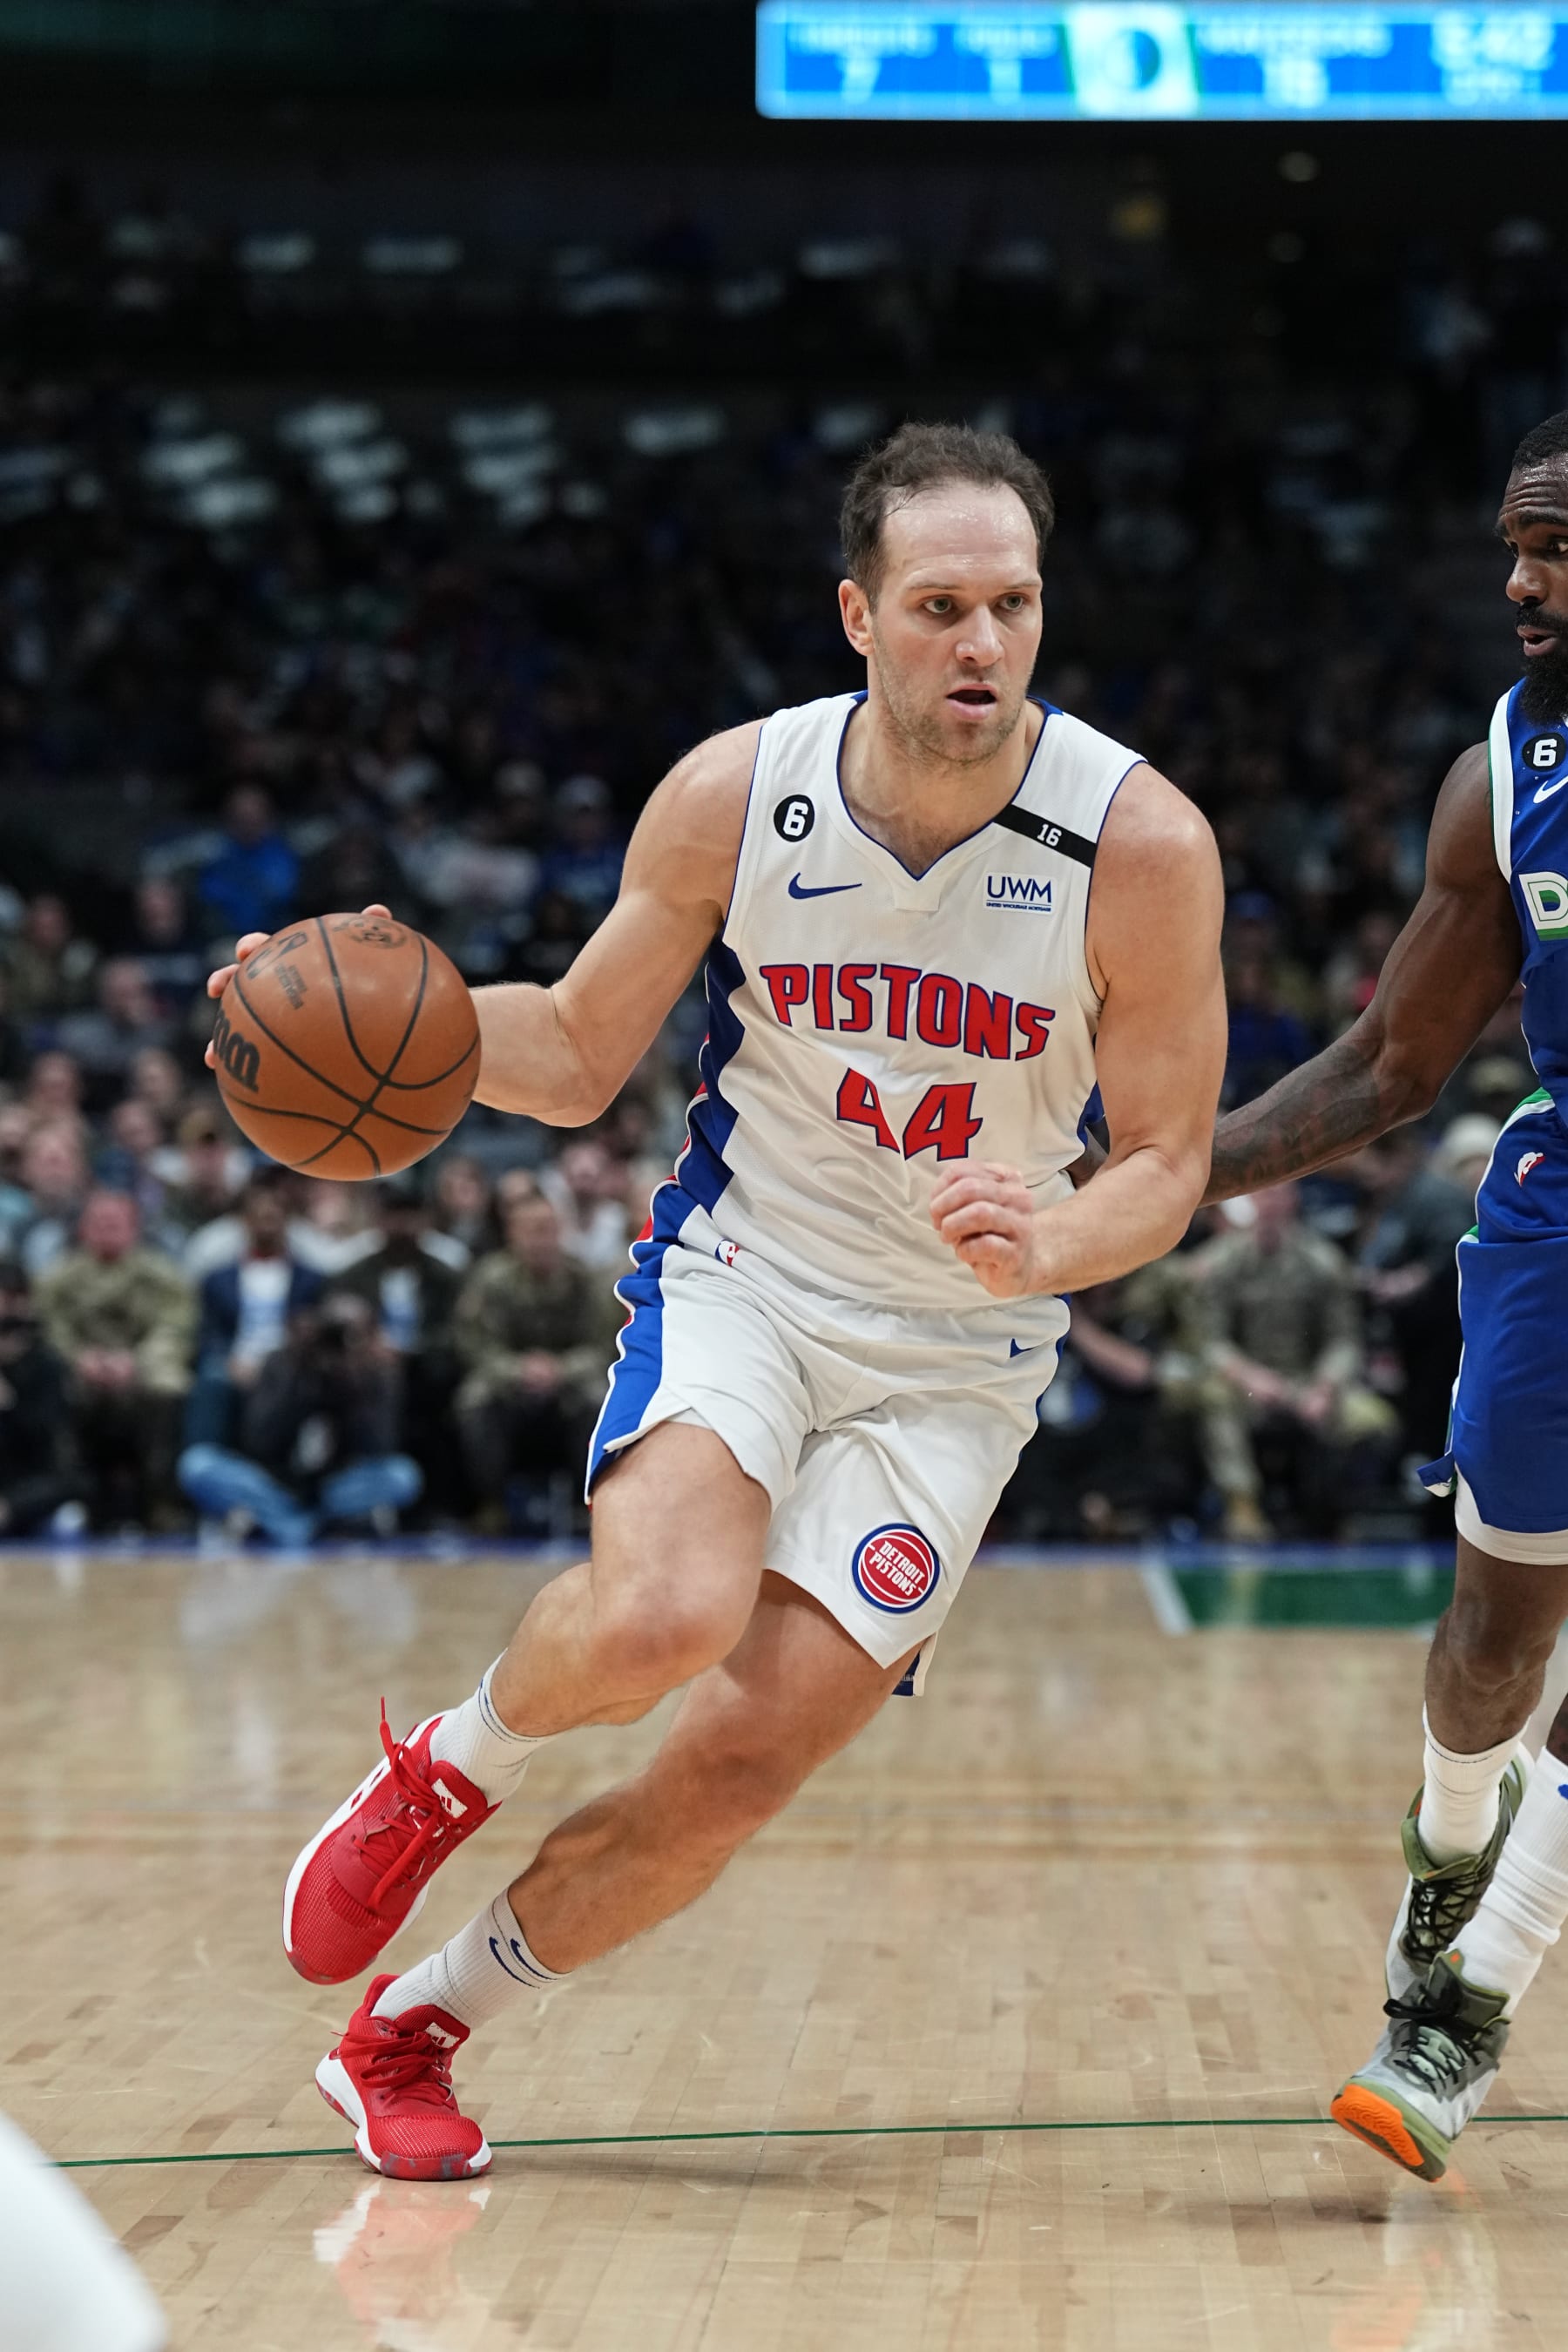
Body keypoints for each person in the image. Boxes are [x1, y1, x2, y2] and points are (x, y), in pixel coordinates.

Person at [210, 421, 1226, 2180]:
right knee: (663, 1613)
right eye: (938, 608)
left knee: (740, 1768)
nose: (979, 645)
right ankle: (445, 1768)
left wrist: (1054, 1241)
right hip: (752, 1271)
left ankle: (418, 2026)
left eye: (1011, 606)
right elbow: (580, 1052)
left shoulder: (1139, 845)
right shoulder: (734, 796)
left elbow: (1167, 1159)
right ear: (859, 615)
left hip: (964, 1353)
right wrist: (404, 1022)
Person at [1202, 407, 1568, 2180]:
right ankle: (1448, 1848)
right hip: (1559, 1217)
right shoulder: (1504, 770)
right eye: (1515, 544)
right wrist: (1177, 1171)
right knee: (1497, 1640)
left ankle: (1460, 2012)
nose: (1520, 579)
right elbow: (1386, 1071)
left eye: (1554, 548)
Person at [178, 1292, 422, 1547]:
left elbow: (380, 1446)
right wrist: (299, 1372)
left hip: (336, 1486)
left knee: (403, 1475)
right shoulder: (282, 1362)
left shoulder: (377, 1372)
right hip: (277, 1483)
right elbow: (259, 1440)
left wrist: (354, 1383)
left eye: (353, 1333)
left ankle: (289, 1525)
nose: (339, 1343)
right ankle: (309, 1526)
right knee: (197, 1465)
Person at [452, 1189, 624, 1533]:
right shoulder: (491, 1279)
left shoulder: (581, 1278)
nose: (540, 1239)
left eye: (547, 1228)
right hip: (509, 1383)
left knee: (599, 1398)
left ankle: (586, 1502)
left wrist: (559, 1370)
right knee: (475, 1400)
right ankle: (491, 1505)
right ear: (512, 1233)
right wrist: (519, 1370)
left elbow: (602, 1346)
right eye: (530, 1229)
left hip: (567, 1384)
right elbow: (475, 1345)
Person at [34, 1190, 195, 1529]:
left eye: (116, 1223)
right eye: (100, 1223)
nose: (108, 1229)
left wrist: (135, 1361)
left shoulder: (162, 1276)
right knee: (49, 1384)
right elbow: (49, 1328)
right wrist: (80, 1359)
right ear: (83, 1229)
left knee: (168, 1385)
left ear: (135, 1228)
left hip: (141, 1368)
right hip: (81, 1371)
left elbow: (174, 1327)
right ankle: (72, 1500)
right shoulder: (58, 1279)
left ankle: (162, 1501)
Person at [186, 1167, 323, 1448]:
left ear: (287, 1222)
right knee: (211, 1376)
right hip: (234, 1359)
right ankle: (202, 1458)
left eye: (273, 1218)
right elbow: (207, 1332)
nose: (267, 1225)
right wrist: (230, 1360)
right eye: (259, 1218)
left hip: (288, 1361)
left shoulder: (311, 1280)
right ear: (244, 1222)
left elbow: (315, 1330)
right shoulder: (218, 1279)